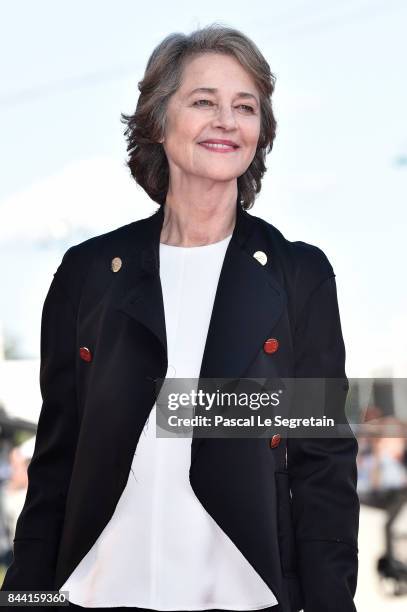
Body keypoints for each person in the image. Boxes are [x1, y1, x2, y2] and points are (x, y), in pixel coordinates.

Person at [0, 23, 359, 612]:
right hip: (93, 593)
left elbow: (322, 468)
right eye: (203, 102)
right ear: (159, 122)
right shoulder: (88, 276)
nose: (227, 120)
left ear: (261, 131)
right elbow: (57, 467)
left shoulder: (298, 279)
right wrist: (25, 601)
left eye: (245, 106)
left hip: (243, 597)